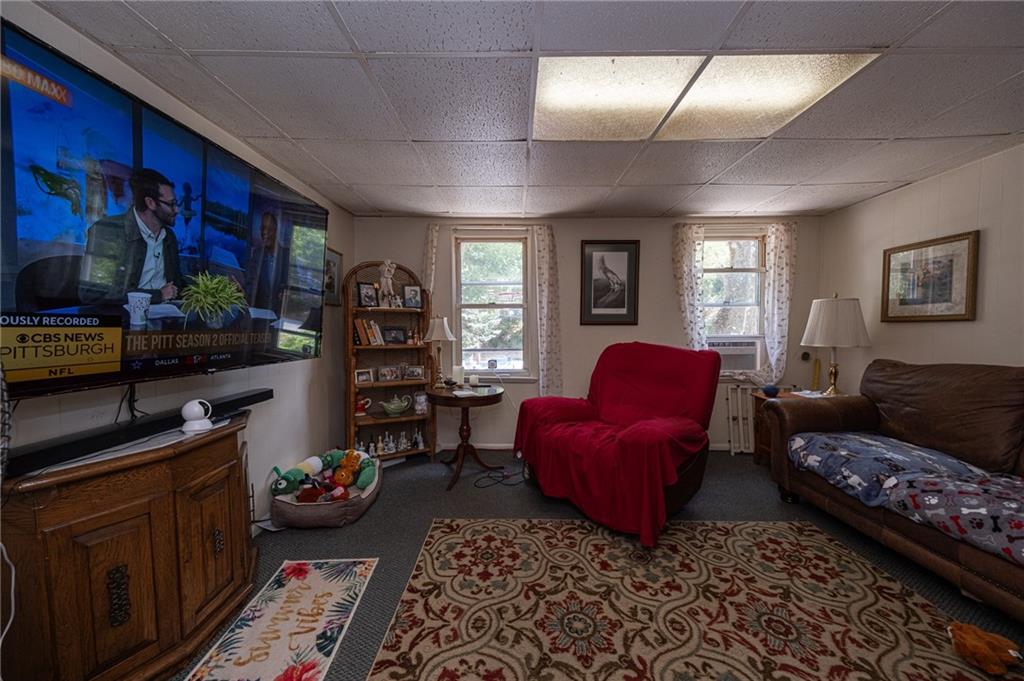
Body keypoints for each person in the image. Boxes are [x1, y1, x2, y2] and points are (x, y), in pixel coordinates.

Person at [79, 168, 184, 306]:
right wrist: (158, 295)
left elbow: (178, 284)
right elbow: (91, 293)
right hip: (122, 322)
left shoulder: (169, 236)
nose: (177, 210)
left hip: (166, 320)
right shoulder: (108, 231)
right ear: (150, 203)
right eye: (171, 204)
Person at [244, 212, 284, 311]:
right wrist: (242, 291)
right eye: (262, 228)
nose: (264, 232)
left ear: (276, 231)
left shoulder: (286, 256)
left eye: (269, 229)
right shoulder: (257, 254)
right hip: (259, 315)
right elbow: (251, 285)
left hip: (280, 317)